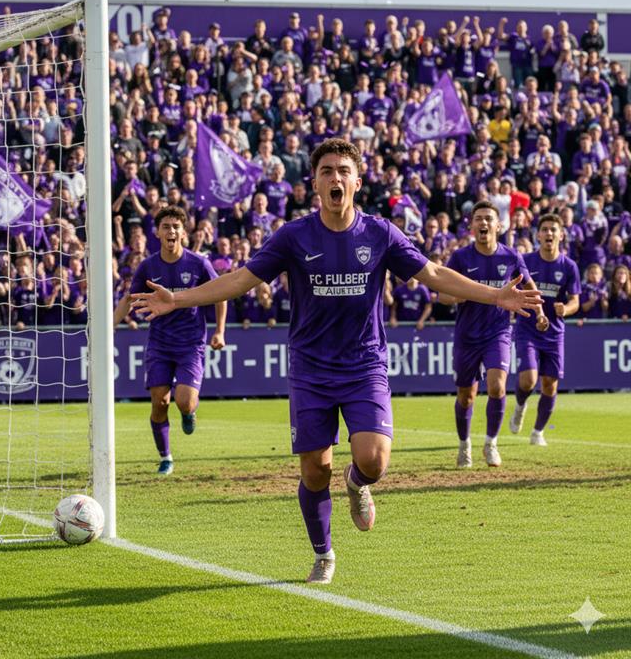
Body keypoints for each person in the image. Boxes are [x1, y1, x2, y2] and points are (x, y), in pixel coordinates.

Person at [131, 139, 540, 585]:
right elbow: (240, 280)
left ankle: (357, 483)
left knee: (375, 460)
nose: (335, 178)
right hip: (310, 369)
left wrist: (497, 294)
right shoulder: (294, 236)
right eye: (326, 170)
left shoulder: (381, 233)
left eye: (343, 170)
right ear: (315, 182)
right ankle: (323, 553)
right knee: (314, 469)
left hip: (364, 365)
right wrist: (179, 299)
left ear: (357, 182)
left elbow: (434, 274)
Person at [114, 205, 226, 476]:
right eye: (166, 226)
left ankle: (188, 413)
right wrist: (109, 328)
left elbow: (220, 294)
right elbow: (129, 300)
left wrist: (219, 331)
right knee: (159, 403)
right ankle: (165, 457)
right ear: (157, 233)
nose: (171, 231)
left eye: (176, 226)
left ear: (183, 232)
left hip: (190, 345)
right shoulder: (148, 266)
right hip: (160, 344)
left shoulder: (199, 264)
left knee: (184, 401)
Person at [441, 201, 534, 469]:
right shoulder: (460, 258)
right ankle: (464, 445)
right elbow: (442, 294)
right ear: (471, 226)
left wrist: (538, 311)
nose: (483, 223)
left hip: (498, 332)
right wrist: (459, 295)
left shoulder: (511, 257)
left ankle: (491, 443)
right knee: (465, 396)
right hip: (467, 335)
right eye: (478, 219)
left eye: (488, 219)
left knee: (497, 386)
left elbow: (528, 285)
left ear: (498, 225)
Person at [510, 214, 581, 446]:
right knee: (529, 380)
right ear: (538, 235)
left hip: (554, 333)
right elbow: (514, 289)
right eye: (545, 229)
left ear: (561, 235)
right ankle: (520, 405)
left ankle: (538, 432)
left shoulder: (569, 266)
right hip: (527, 328)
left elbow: (575, 301)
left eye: (553, 229)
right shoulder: (526, 261)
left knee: (550, 384)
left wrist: (566, 310)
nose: (549, 233)